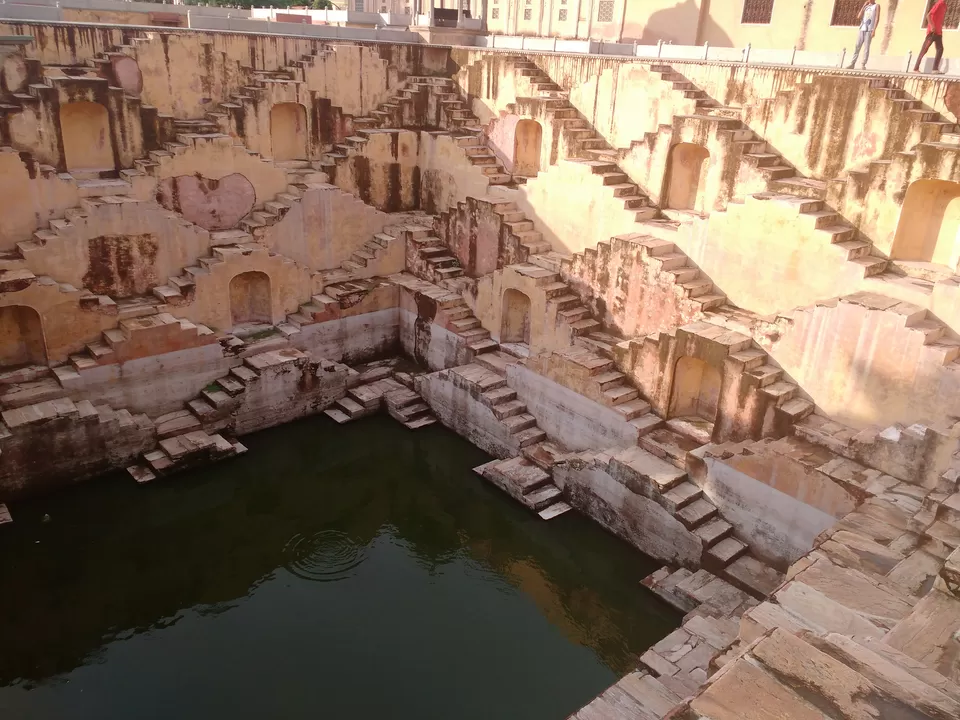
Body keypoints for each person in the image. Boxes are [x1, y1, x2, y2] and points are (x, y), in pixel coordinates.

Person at [914, 0, 947, 74]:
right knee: (924, 50)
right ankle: (915, 68)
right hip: (932, 32)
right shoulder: (939, 3)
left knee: (940, 49)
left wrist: (941, 26)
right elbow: (928, 15)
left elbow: (940, 18)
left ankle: (935, 69)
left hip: (938, 33)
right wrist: (932, 26)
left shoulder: (945, 6)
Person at [848, 1, 881, 70]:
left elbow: (877, 18)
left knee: (866, 47)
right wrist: (864, 5)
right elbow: (859, 16)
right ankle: (852, 63)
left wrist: (874, 30)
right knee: (857, 46)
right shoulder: (866, 6)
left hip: (869, 29)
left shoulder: (876, 6)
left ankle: (863, 64)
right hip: (862, 28)